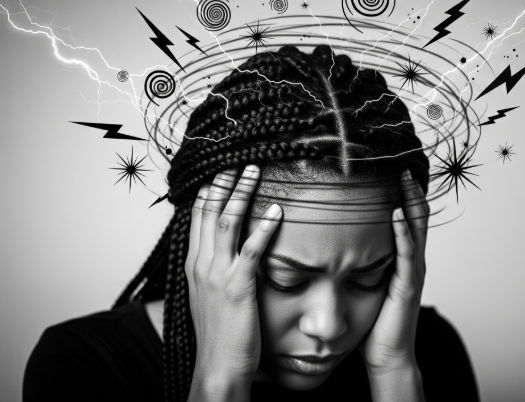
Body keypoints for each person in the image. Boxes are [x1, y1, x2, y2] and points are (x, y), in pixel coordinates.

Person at [23, 45, 479, 401]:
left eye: (368, 278)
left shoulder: (428, 354)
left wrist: (396, 372)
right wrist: (220, 378)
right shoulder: (83, 366)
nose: (328, 325)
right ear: (207, 240)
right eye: (286, 279)